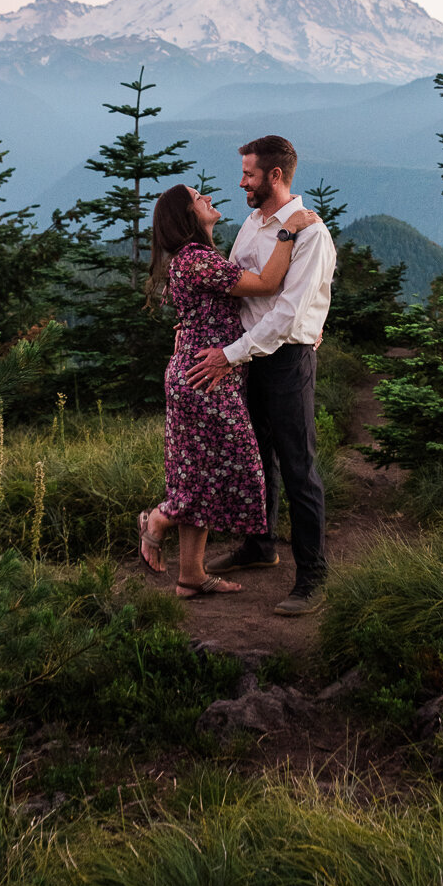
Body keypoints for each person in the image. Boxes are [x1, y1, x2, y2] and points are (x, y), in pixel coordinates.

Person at [137, 183, 318, 599]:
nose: (209, 199)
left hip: (195, 372)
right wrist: (289, 231)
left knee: (200, 468)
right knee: (231, 466)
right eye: (199, 198)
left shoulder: (194, 260)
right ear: (188, 215)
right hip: (205, 377)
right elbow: (267, 284)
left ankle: (190, 577)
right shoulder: (198, 260)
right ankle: (159, 520)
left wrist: (307, 325)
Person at [185, 136, 337, 617]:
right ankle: (260, 545)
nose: (241, 182)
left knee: (298, 466)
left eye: (249, 174)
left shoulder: (310, 234)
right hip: (249, 356)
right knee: (258, 457)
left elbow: (288, 316)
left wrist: (229, 355)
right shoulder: (253, 223)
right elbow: (235, 281)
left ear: (275, 176)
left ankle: (313, 577)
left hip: (287, 359)